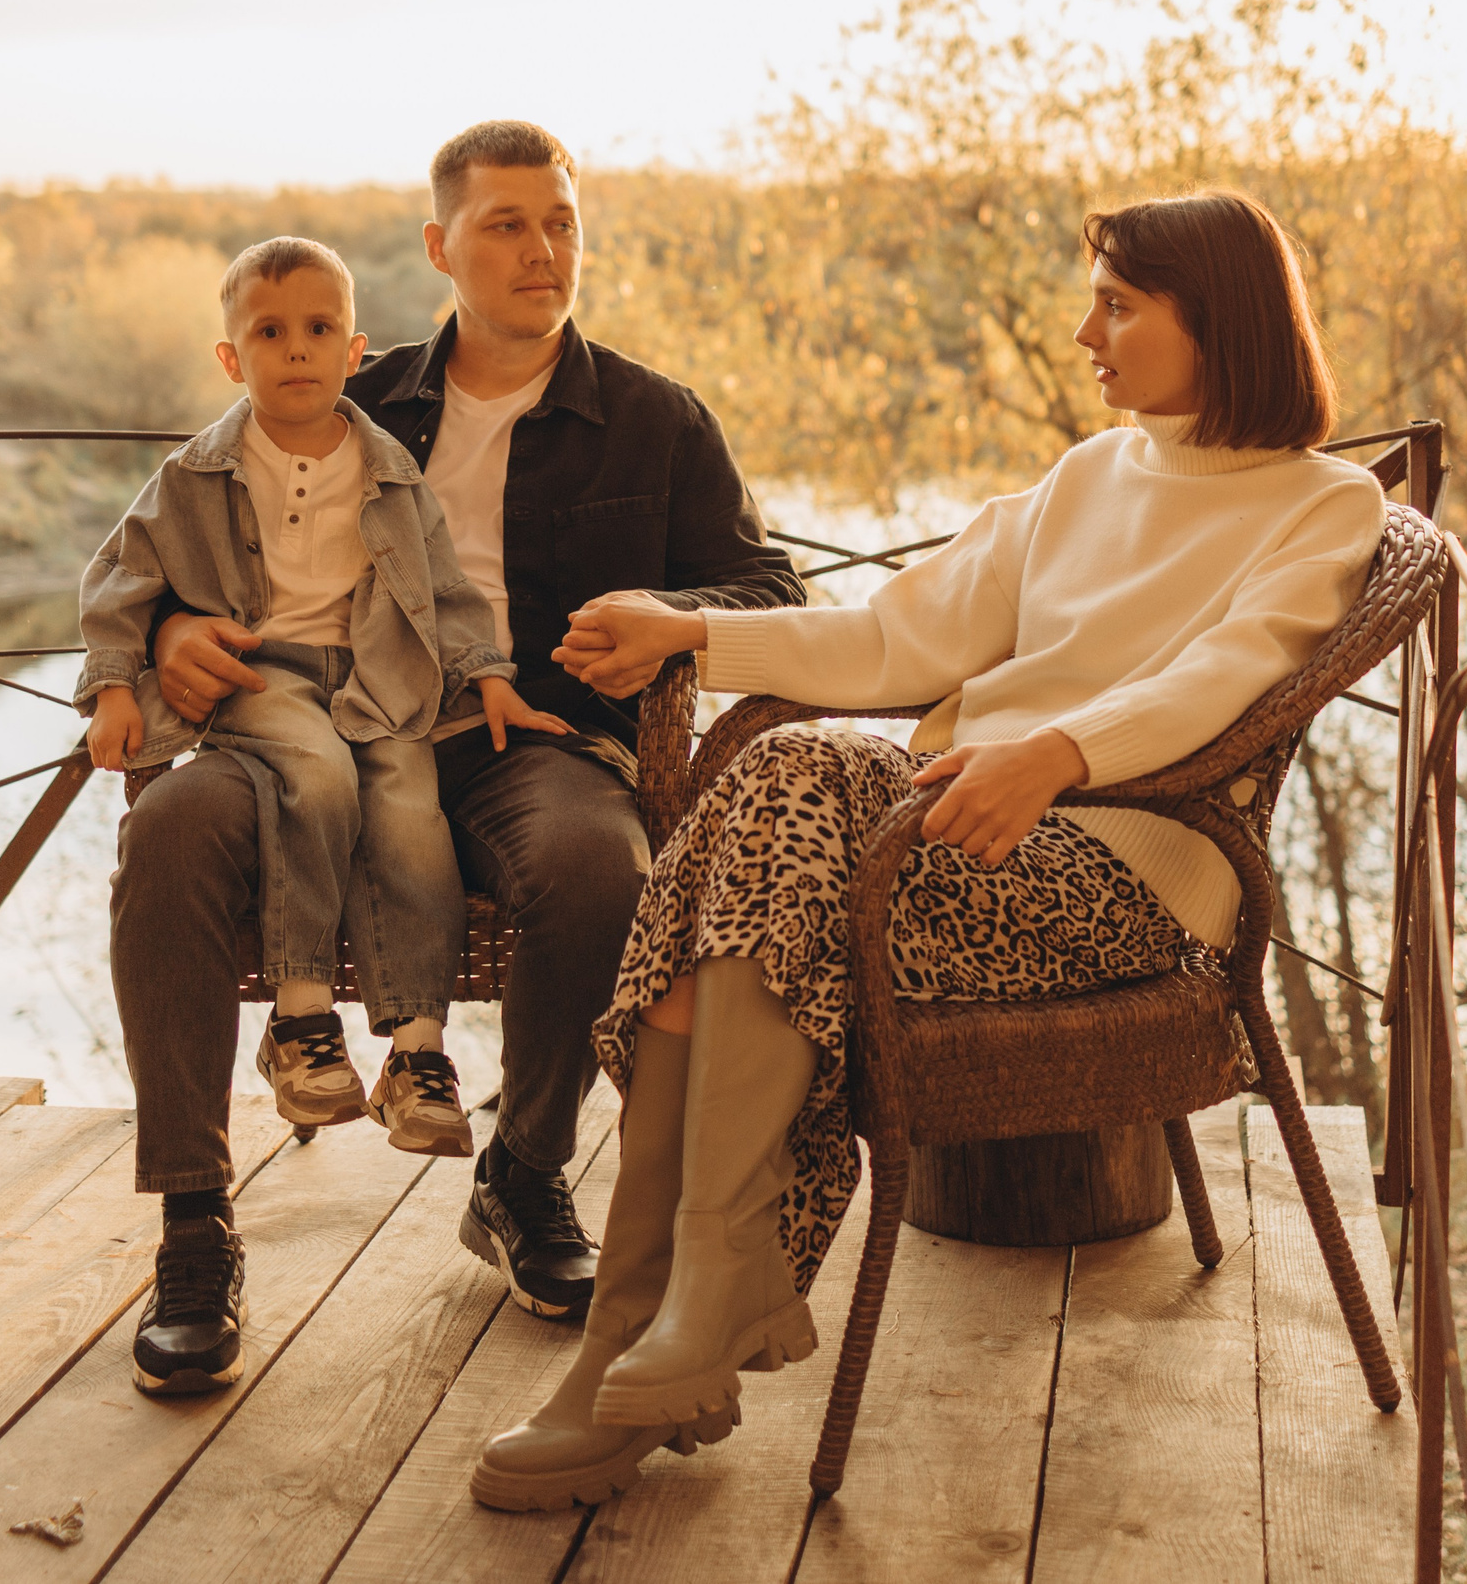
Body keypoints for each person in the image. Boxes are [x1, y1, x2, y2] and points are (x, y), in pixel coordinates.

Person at [468, 188, 1388, 1510]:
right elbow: (903, 638)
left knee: (780, 789)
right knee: (758, 824)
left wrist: (1059, 753)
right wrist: (691, 631)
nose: (1086, 333)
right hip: (950, 840)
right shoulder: (1087, 475)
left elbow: (1231, 677)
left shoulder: (1320, 505)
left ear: (1219, 319)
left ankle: (677, 1315)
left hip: (1123, 878)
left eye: (1118, 306)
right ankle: (652, 1333)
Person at [120, 124, 806, 1394]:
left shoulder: (653, 420)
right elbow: (183, 523)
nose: (544, 249)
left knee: (602, 860)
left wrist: (669, 618)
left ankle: (525, 1173)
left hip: (524, 734)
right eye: (507, 224)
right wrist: (168, 631)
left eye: (561, 221)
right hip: (316, 717)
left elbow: (773, 585)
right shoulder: (349, 388)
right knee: (168, 829)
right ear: (441, 247)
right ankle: (193, 1223)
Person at [79, 234, 570, 1393]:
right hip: (259, 681)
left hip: (390, 690)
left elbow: (446, 590)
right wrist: (125, 672)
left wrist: (490, 670)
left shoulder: (392, 460)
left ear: (354, 347)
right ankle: (205, 1206)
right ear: (229, 352)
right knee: (196, 821)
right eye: (268, 333)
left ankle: (418, 1053)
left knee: (401, 810)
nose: (294, 352)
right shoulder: (199, 469)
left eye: (316, 333)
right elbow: (121, 574)